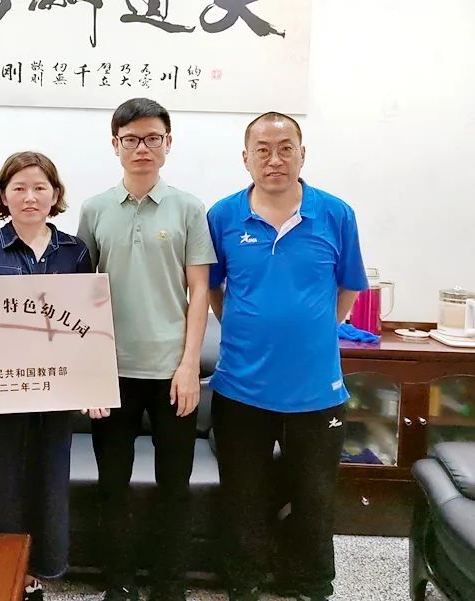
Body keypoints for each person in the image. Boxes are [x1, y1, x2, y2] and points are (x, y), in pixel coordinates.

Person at [206, 112, 368, 601]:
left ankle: (311, 583)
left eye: (285, 148)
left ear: (302, 154)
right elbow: (213, 290)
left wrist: (310, 330)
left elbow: (348, 289)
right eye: (262, 149)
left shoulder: (335, 213)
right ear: (246, 158)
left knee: (315, 497)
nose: (274, 159)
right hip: (241, 388)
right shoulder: (222, 216)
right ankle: (244, 581)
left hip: (317, 391)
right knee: (243, 496)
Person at [0, 151, 104, 601]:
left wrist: (93, 385)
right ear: (3, 195)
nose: (30, 197)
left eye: (40, 188)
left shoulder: (75, 251)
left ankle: (34, 577)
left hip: (52, 392)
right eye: (19, 188)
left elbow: (87, 326)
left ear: (55, 195)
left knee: (45, 483)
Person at [77, 98, 217, 601]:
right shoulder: (95, 210)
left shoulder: (189, 208)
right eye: (131, 139)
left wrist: (189, 366)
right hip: (112, 370)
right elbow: (81, 293)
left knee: (174, 486)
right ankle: (118, 583)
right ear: (115, 145)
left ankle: (169, 586)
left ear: (167, 144)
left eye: (152, 138)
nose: (142, 147)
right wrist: (88, 372)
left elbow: (199, 290)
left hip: (172, 371)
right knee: (112, 484)